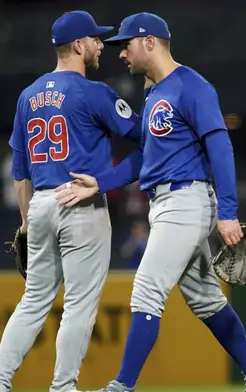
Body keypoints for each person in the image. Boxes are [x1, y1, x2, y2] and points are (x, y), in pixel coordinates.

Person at [54, 12, 246, 392]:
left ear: (149, 42)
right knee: (206, 300)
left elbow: (220, 147)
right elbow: (146, 158)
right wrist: (101, 182)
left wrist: (228, 212)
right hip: (166, 201)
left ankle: (122, 386)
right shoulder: (155, 92)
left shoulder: (191, 86)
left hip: (186, 199)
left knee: (146, 290)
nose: (121, 54)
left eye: (126, 45)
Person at [0, 10, 141, 392]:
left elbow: (19, 171)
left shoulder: (28, 96)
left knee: (32, 302)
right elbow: (146, 135)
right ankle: (63, 387)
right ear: (78, 46)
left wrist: (28, 222)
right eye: (95, 39)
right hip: (80, 202)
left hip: (41, 203)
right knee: (79, 304)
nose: (100, 45)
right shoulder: (93, 92)